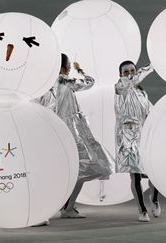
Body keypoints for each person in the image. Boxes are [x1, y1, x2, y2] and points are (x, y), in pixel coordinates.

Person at [37, 53, 112, 219]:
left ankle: (57, 208)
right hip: (72, 132)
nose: (70, 67)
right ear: (63, 67)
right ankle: (66, 208)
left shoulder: (44, 86)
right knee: (84, 167)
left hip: (53, 132)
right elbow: (89, 82)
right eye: (69, 65)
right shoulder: (65, 80)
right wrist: (80, 70)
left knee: (59, 172)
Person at [114, 60, 161, 222]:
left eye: (132, 71)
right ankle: (142, 211)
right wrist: (153, 64)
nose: (129, 74)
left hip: (143, 135)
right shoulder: (120, 88)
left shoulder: (141, 93)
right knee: (135, 176)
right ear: (121, 75)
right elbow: (127, 83)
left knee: (155, 171)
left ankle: (154, 199)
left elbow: (151, 111)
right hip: (127, 137)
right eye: (126, 72)